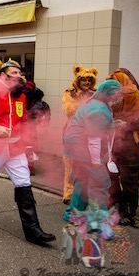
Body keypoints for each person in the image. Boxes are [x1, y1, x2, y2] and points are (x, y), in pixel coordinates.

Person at [0, 59, 55, 244]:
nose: (19, 75)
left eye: (19, 73)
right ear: (3, 75)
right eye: (14, 72)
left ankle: (32, 230)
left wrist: (29, 145)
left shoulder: (20, 96)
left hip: (15, 147)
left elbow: (23, 122)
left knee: (24, 182)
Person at [62, 79, 122, 221]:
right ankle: (99, 221)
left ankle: (73, 215)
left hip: (76, 148)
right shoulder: (99, 109)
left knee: (82, 181)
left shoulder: (94, 104)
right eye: (117, 93)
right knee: (100, 182)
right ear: (108, 93)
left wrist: (113, 125)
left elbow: (94, 125)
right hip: (84, 149)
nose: (119, 96)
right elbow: (93, 138)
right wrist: (95, 161)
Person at [107, 69, 139, 226]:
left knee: (129, 179)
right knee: (111, 177)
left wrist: (128, 125)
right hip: (114, 144)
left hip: (132, 146)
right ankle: (114, 205)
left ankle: (129, 212)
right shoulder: (115, 98)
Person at [61, 65, 98, 204]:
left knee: (90, 164)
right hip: (73, 132)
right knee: (70, 164)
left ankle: (87, 194)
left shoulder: (96, 94)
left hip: (91, 133)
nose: (87, 83)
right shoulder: (70, 93)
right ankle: (69, 192)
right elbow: (69, 110)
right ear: (78, 80)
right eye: (84, 80)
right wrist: (88, 105)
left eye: (89, 80)